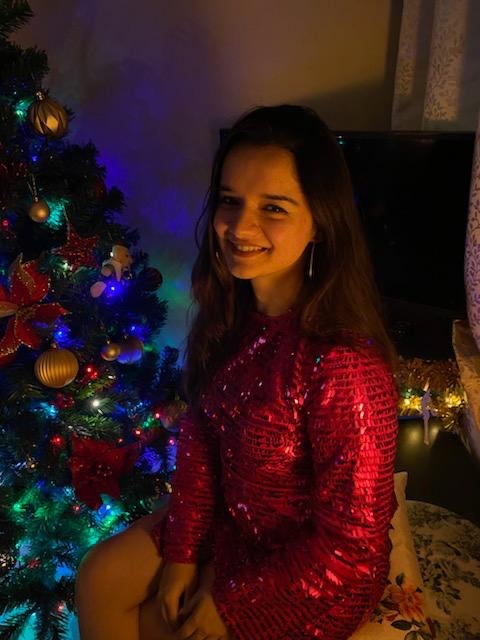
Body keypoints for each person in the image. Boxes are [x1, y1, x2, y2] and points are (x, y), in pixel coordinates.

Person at [75, 104, 399, 640]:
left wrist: (232, 607)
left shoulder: (345, 366)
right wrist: (182, 553)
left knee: (158, 625)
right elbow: (203, 438)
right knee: (100, 575)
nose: (240, 227)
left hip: (312, 571)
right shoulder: (232, 319)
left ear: (320, 222)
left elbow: (352, 550)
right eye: (230, 201)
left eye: (273, 207)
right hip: (236, 524)